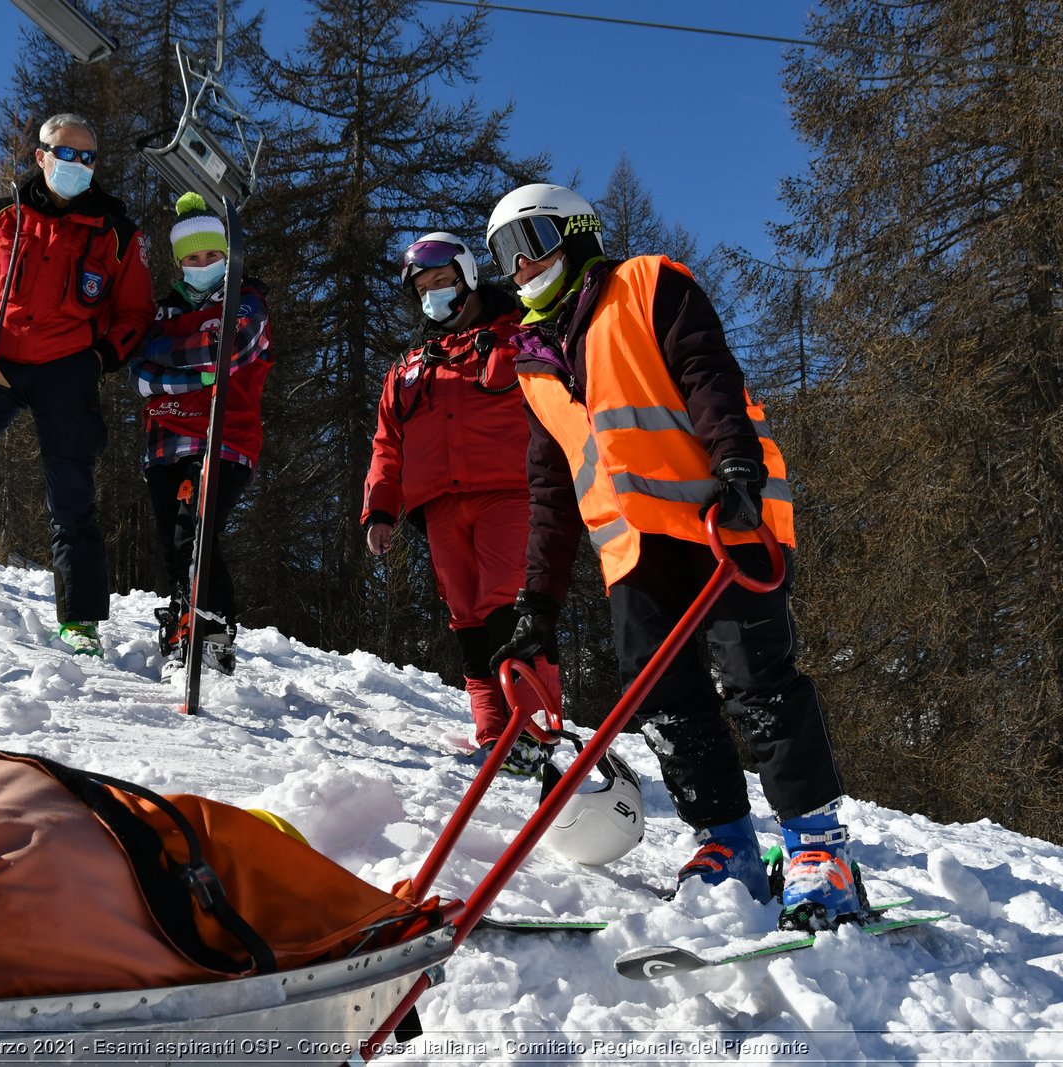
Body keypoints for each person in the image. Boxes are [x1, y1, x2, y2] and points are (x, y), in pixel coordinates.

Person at [484, 183, 863, 927]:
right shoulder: (533, 368)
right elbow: (551, 497)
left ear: (576, 230)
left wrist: (737, 467)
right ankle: (725, 841)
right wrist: (537, 603)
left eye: (531, 240)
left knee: (758, 679)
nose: (521, 266)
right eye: (504, 254)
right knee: (665, 701)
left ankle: (818, 845)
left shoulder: (648, 283)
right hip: (631, 552)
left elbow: (707, 374)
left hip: (718, 518)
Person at [0, 113, 156, 656]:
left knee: (72, 491)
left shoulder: (116, 232)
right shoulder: (3, 215)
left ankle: (80, 619)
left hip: (68, 369)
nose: (78, 166)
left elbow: (135, 311)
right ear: (41, 156)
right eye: (67, 154)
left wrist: (102, 358)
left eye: (88, 158)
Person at [361, 232, 558, 775]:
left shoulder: (518, 335)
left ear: (468, 278)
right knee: (465, 618)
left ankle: (532, 730)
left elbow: (560, 399)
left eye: (443, 283)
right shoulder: (409, 367)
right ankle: (494, 733)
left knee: (506, 606)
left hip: (510, 493)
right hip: (440, 508)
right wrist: (381, 509)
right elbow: (387, 443)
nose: (434, 296)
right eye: (423, 289)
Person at [127, 192, 272, 680]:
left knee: (197, 529)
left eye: (212, 255)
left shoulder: (245, 300)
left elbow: (226, 348)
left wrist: (178, 362)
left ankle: (212, 631)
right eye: (193, 258)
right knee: (174, 541)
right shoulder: (163, 310)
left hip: (222, 438)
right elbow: (139, 372)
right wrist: (200, 374)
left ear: (226, 256)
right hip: (164, 441)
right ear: (180, 262)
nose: (203, 264)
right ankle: (184, 615)